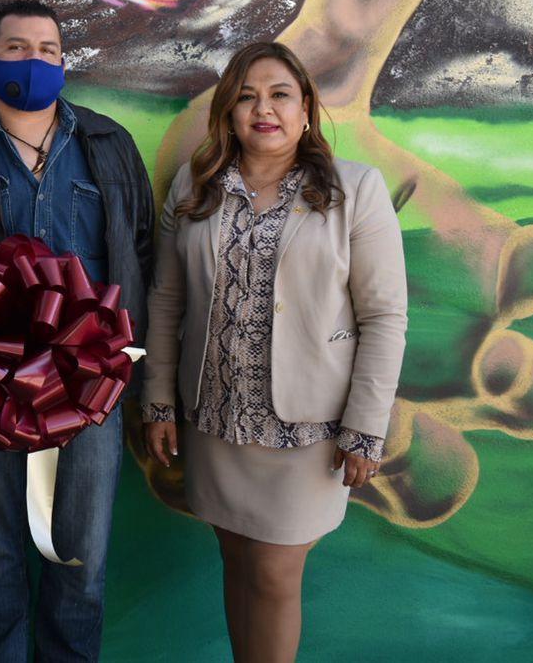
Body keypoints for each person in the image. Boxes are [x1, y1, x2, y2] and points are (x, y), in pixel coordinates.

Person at [0, 0, 154, 662]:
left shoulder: (110, 144)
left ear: (63, 62)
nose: (32, 60)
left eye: (46, 48)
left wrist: (134, 366)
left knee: (80, 560)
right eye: (14, 48)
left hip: (91, 388)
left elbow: (142, 253)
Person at [142, 41, 407, 663]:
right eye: (247, 96)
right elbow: (165, 301)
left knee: (274, 574)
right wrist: (157, 401)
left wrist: (366, 428)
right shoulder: (195, 185)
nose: (264, 109)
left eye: (280, 94)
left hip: (310, 430)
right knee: (236, 561)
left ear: (307, 108)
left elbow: (384, 317)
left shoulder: (355, 190)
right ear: (228, 113)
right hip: (215, 421)